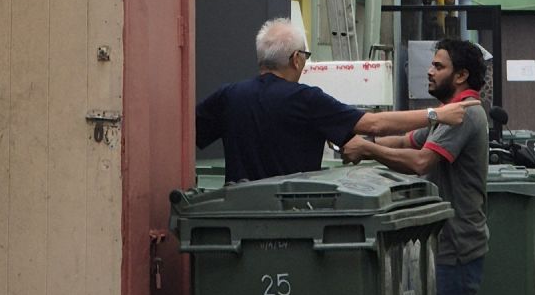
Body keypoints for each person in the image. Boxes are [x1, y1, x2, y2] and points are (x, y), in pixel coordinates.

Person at [195, 18, 477, 183]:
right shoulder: (306, 100)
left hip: (235, 217)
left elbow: (189, 135)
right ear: (296, 59)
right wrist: (436, 114)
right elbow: (373, 124)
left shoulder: (228, 96)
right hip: (292, 217)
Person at [341, 38, 490, 295]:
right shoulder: (448, 113)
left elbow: (421, 162)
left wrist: (367, 149)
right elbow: (405, 142)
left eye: (438, 66)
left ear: (461, 75)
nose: (429, 71)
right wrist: (360, 138)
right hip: (448, 248)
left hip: (456, 250)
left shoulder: (464, 115)